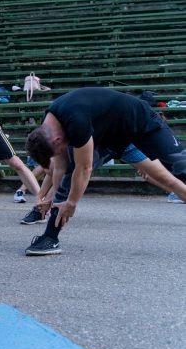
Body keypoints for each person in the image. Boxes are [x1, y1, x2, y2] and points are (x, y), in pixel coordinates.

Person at [23, 87, 186, 256]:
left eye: (58, 150)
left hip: (138, 122)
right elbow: (60, 168)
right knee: (69, 177)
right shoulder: (47, 127)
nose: (62, 151)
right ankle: (50, 238)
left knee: (178, 169)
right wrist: (53, 199)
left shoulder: (75, 122)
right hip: (107, 139)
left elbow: (84, 168)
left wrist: (71, 203)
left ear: (56, 140)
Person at [19, 143, 186, 224]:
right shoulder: (58, 142)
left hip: (121, 142)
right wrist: (42, 197)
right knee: (63, 175)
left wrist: (52, 198)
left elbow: (64, 172)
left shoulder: (64, 137)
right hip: (102, 144)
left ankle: (46, 210)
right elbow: (55, 173)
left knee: (163, 177)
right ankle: (41, 211)